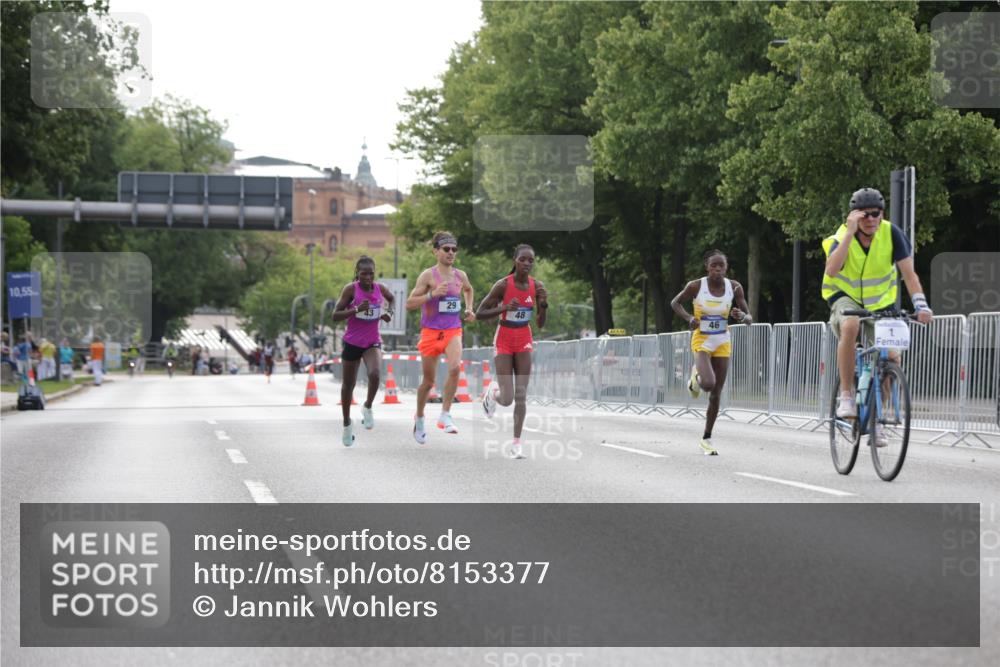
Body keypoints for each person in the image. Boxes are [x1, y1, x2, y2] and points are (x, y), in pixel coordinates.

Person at [823, 188, 933, 427]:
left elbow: (909, 274)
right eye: (865, 215)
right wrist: (850, 233)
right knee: (850, 325)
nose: (871, 219)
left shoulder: (892, 233)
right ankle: (846, 396)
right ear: (854, 216)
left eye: (876, 213)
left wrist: (921, 305)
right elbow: (831, 271)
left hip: (881, 303)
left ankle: (877, 420)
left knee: (892, 358)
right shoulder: (842, 235)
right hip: (846, 298)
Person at [670, 249, 752, 456]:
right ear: (707, 267)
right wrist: (689, 318)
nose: (717, 269)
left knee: (716, 394)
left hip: (723, 340)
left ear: (726, 268)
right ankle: (695, 377)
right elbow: (675, 303)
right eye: (713, 265)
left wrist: (742, 315)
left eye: (721, 266)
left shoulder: (734, 287)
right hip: (702, 339)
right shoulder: (696, 286)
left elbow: (750, 318)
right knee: (707, 384)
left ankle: (706, 438)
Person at [476, 244, 549, 459]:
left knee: (521, 395)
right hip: (504, 340)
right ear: (515, 260)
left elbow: (541, 324)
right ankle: (493, 393)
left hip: (524, 339)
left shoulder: (537, 286)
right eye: (523, 259)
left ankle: (517, 444)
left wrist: (543, 307)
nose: (527, 264)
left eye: (530, 261)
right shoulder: (502, 285)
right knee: (507, 398)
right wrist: (505, 308)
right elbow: (481, 312)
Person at [405, 231, 476, 444]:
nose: (451, 253)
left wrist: (470, 309)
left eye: (454, 249)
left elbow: (469, 290)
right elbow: (409, 303)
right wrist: (431, 295)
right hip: (430, 332)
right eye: (446, 249)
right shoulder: (428, 276)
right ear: (436, 251)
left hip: (453, 330)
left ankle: (445, 414)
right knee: (428, 382)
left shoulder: (460, 276)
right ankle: (419, 416)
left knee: (455, 368)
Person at [332, 256, 396, 447]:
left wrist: (389, 313)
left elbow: (392, 300)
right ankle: (346, 424)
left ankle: (367, 406)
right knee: (348, 385)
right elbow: (335, 315)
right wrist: (355, 309)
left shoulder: (380, 289)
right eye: (363, 274)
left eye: (371, 273)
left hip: (372, 342)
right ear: (357, 273)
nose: (367, 277)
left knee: (375, 374)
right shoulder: (351, 289)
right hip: (352, 342)